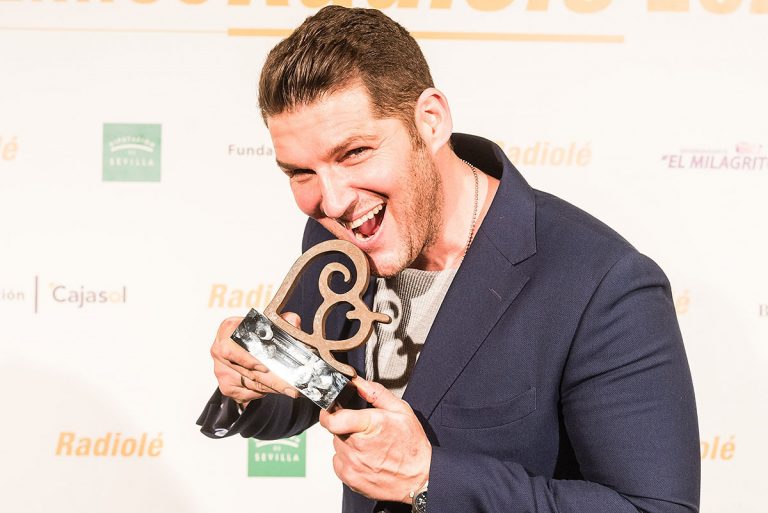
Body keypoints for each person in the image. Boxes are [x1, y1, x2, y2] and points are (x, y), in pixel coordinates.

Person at [198, 6, 700, 513]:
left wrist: (428, 478)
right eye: (300, 172)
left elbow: (655, 509)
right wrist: (252, 381)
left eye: (353, 153)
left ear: (430, 121)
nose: (332, 201)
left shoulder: (603, 284)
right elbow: (321, 390)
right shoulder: (337, 236)